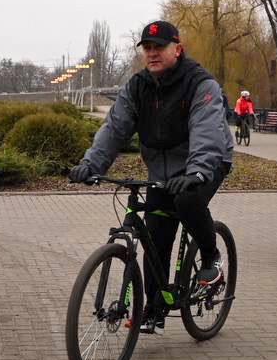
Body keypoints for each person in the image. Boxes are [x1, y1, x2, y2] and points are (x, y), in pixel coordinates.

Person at [69, 20, 235, 335]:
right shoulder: (138, 86)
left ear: (178, 49)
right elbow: (115, 129)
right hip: (161, 171)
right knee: (156, 234)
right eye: (147, 48)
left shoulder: (200, 84)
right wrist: (91, 164)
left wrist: (197, 171)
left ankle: (212, 260)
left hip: (207, 162)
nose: (152, 53)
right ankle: (154, 309)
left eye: (159, 47)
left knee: (187, 201)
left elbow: (207, 130)